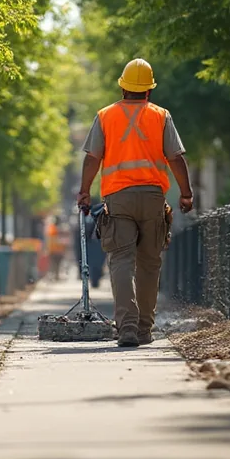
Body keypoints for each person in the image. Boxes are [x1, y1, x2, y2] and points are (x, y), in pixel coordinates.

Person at [77, 58, 194, 347]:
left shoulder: (105, 116)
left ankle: (126, 326)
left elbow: (92, 158)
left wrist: (84, 193)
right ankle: (143, 329)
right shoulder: (161, 116)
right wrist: (186, 193)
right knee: (149, 264)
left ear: (122, 87)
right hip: (153, 198)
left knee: (120, 260)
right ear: (149, 91)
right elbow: (176, 158)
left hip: (118, 199)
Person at [46, 215, 68, 281]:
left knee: (55, 264)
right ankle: (56, 276)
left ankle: (56, 276)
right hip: (57, 249)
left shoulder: (52, 228)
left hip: (55, 249)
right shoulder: (60, 228)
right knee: (56, 264)